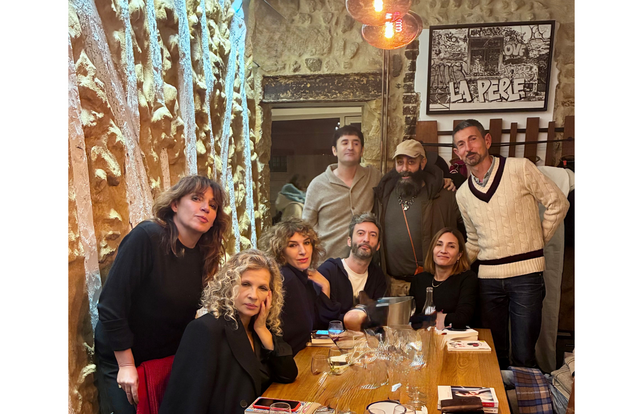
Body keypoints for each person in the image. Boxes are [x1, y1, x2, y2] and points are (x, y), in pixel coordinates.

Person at [94, 175, 230, 414]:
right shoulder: (147, 237)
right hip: (125, 359)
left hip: (163, 360)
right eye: (196, 198)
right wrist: (126, 365)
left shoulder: (204, 253)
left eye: (213, 205)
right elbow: (111, 305)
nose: (205, 208)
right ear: (175, 204)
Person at [452, 119, 569, 369]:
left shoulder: (520, 168)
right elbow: (474, 241)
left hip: (526, 277)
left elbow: (558, 203)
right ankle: (501, 395)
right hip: (488, 280)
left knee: (524, 355)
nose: (468, 148)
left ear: (487, 140)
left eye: (472, 139)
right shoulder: (462, 194)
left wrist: (537, 241)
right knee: (494, 354)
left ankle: (524, 395)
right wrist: (452, 268)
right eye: (461, 144)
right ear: (457, 152)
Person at [158, 249, 298, 414]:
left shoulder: (260, 326)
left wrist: (261, 329)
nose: (253, 295)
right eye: (245, 284)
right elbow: (186, 404)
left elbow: (288, 374)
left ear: (270, 295)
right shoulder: (205, 329)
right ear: (229, 285)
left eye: (262, 288)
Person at [373, 139, 462, 297]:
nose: (404, 169)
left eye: (411, 162)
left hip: (432, 285)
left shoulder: (443, 195)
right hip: (392, 286)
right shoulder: (384, 194)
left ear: (423, 163)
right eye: (400, 162)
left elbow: (468, 231)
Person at [258, 218, 341, 355]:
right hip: (294, 360)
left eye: (306, 243)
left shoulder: (301, 277)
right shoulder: (287, 279)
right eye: (292, 245)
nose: (303, 251)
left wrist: (325, 286)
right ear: (280, 251)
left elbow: (320, 326)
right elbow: (297, 336)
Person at [302, 125, 381, 261]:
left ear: (362, 150)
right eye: (344, 143)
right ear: (334, 150)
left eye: (355, 143)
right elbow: (305, 228)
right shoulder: (318, 185)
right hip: (326, 262)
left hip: (362, 263)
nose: (350, 147)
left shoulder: (373, 177)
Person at [317, 212, 388, 331]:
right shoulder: (329, 271)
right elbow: (322, 318)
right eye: (360, 233)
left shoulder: (378, 276)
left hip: (365, 340)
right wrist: (352, 319)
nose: (366, 239)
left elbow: (378, 318)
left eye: (373, 235)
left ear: (378, 246)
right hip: (330, 339)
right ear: (349, 241)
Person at [409, 227, 477, 330]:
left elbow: (463, 318)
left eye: (451, 246)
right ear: (432, 250)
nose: (443, 250)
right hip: (424, 336)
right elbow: (411, 318)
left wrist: (429, 318)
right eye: (439, 244)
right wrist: (441, 317)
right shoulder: (418, 280)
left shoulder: (467, 278)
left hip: (455, 337)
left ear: (459, 255)